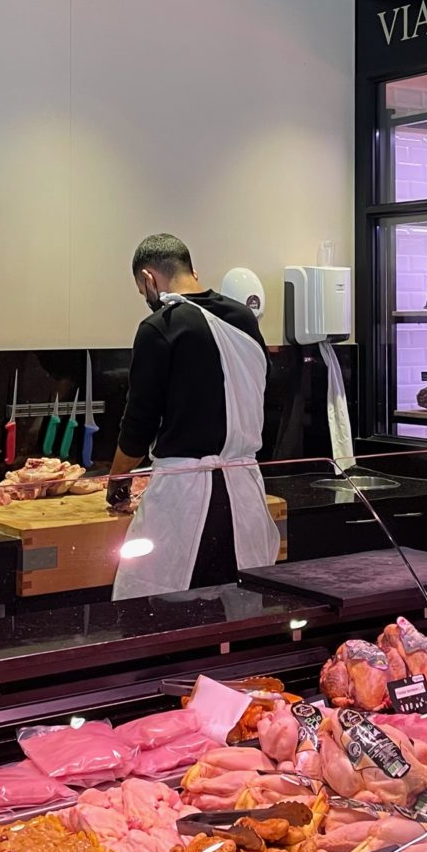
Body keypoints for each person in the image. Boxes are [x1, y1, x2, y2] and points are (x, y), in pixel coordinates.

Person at [107, 233, 278, 598]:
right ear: (192, 271)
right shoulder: (244, 318)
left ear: (149, 279)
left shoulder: (160, 327)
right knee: (235, 608)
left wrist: (117, 479)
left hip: (184, 501)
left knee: (166, 609)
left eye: (142, 290)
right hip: (245, 494)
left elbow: (139, 422)